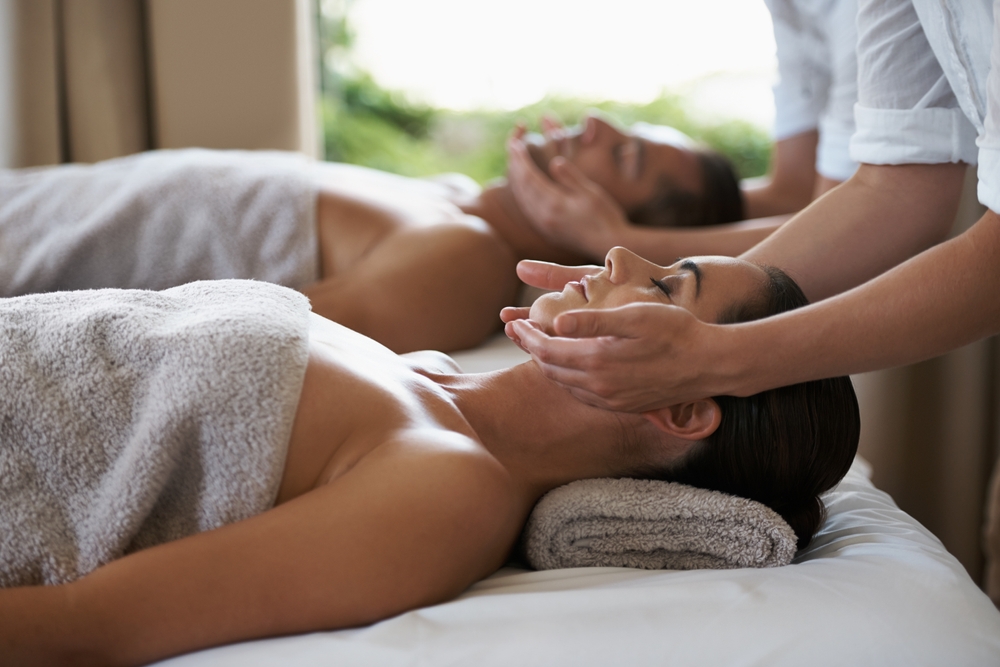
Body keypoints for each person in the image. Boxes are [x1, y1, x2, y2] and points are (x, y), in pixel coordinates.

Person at [0, 248, 859, 664]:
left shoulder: (449, 491)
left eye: (669, 284)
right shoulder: (430, 371)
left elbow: (93, 627)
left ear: (683, 407)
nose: (621, 254)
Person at [0, 115, 741, 355]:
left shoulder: (465, 261)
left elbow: (207, 337)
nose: (600, 123)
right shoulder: (451, 202)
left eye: (625, 155)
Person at [504, 0, 859, 265]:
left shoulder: (855, 17)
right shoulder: (792, 12)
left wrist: (616, 241)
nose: (595, 120)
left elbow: (846, 228)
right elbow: (797, 198)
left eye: (625, 155)